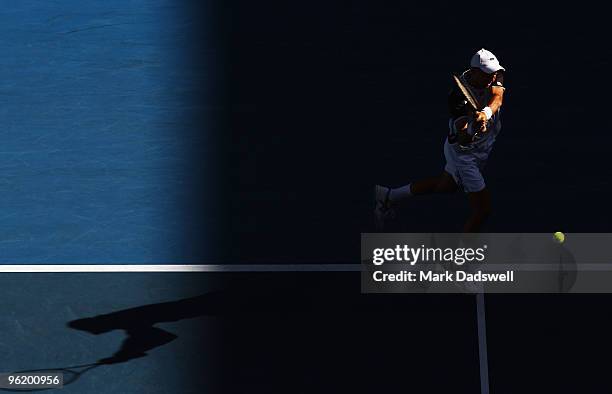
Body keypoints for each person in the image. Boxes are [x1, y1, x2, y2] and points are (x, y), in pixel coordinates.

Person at [374, 48, 506, 232]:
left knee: (446, 186)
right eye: (486, 75)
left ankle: (389, 196)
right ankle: (460, 259)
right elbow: (463, 138)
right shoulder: (458, 98)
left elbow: (497, 98)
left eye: (493, 74)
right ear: (474, 72)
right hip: (465, 154)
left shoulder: (494, 72)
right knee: (482, 210)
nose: (492, 78)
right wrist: (473, 129)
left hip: (481, 146)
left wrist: (486, 113)